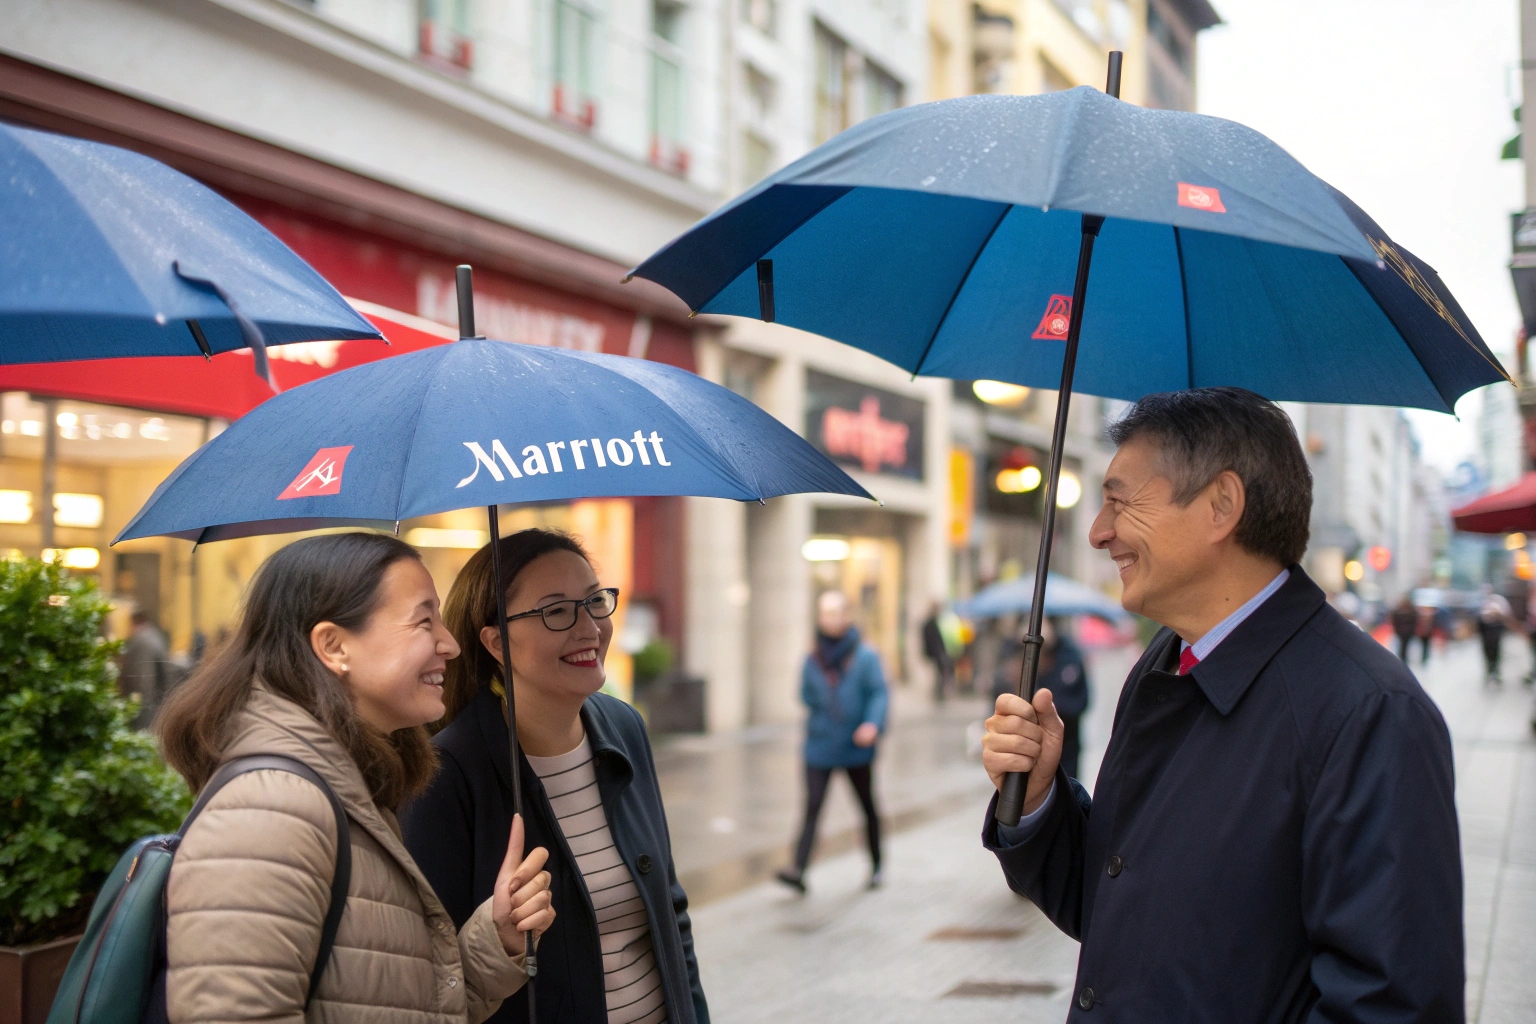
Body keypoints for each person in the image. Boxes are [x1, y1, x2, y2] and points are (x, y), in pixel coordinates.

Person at [981, 388, 1462, 1022]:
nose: (1100, 533)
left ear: (1221, 505)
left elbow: (1392, 1005)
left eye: (1120, 501)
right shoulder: (1163, 665)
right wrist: (1041, 798)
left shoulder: (1371, 714)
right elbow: (1117, 904)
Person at [155, 532, 552, 1024]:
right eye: (424, 621)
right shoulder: (272, 811)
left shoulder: (348, 787)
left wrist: (496, 939)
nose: (449, 645)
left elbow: (392, 1002)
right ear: (334, 645)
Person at [401, 529, 708, 1024]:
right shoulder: (447, 774)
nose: (589, 628)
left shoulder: (624, 728)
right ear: (497, 641)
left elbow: (670, 915)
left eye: (594, 601)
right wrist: (499, 936)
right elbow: (431, 980)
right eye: (556, 611)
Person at [775, 590, 889, 894]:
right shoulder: (812, 657)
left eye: (835, 612)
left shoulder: (865, 655)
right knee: (812, 807)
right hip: (820, 745)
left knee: (866, 806)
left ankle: (877, 865)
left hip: (856, 746)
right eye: (824, 613)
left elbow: (879, 692)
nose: (829, 619)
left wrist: (871, 723)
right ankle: (798, 869)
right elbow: (804, 695)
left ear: (847, 615)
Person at [1037, 618, 1089, 781]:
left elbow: (1082, 700)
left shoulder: (1070, 655)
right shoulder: (1032, 656)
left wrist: (1053, 711)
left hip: (1068, 740)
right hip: (1039, 741)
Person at [120, 608, 169, 729]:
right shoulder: (155, 636)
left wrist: (143, 705)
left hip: (146, 705)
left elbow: (143, 676)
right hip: (156, 702)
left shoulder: (141, 640)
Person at [920, 602, 955, 702]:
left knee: (938, 673)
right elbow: (935, 640)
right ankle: (938, 693)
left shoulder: (930, 623)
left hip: (934, 653)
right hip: (935, 653)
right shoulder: (932, 623)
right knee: (938, 673)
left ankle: (938, 692)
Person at [1478, 589, 1512, 684]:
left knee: (1496, 653)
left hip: (1496, 632)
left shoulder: (1500, 602)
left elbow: (1505, 616)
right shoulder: (1484, 603)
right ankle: (1489, 672)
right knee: (1487, 653)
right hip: (1486, 633)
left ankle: (1496, 672)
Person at [1390, 595, 1418, 663]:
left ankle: (1402, 658)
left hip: (1405, 632)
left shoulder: (1407, 611)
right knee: (1403, 645)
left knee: (1404, 645)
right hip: (1404, 632)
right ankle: (1403, 658)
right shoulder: (1410, 611)